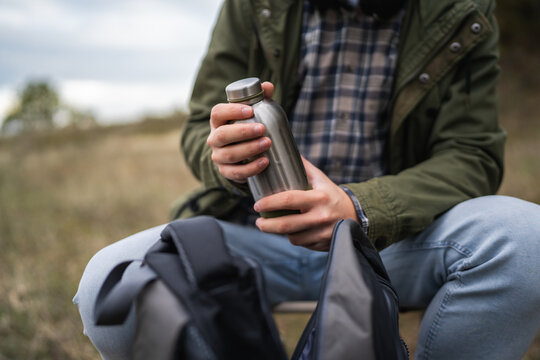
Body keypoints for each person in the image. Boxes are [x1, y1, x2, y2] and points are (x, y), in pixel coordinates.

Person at [74, 0, 540, 359]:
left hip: (395, 245)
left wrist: (362, 207)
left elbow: (472, 153)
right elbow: (201, 125)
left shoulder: (462, 8)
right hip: (252, 240)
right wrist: (226, 159)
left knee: (527, 241)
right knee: (109, 283)